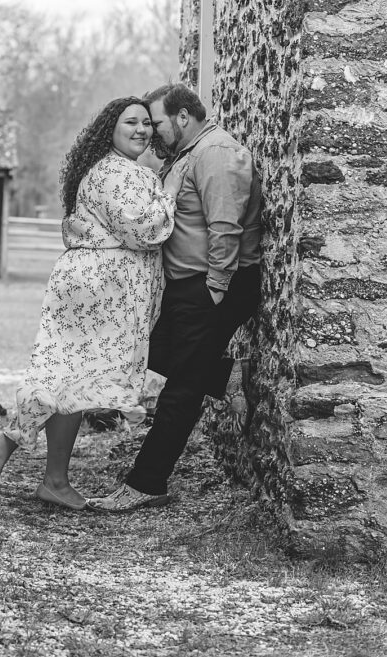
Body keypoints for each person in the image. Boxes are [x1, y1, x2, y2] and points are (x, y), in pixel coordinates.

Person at [0, 96, 187, 510]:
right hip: (95, 295)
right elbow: (144, 230)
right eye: (131, 122)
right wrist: (170, 191)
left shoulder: (121, 170)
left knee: (72, 383)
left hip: (96, 293)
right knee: (64, 379)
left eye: (147, 124)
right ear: (110, 128)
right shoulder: (113, 172)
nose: (141, 130)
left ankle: (53, 481)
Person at [87, 83, 261, 513]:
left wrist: (215, 289)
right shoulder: (189, 155)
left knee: (180, 390)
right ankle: (225, 377)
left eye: (157, 122)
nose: (152, 131)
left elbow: (225, 226)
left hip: (213, 284)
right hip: (189, 287)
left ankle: (146, 483)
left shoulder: (216, 153)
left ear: (183, 117)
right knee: (150, 353)